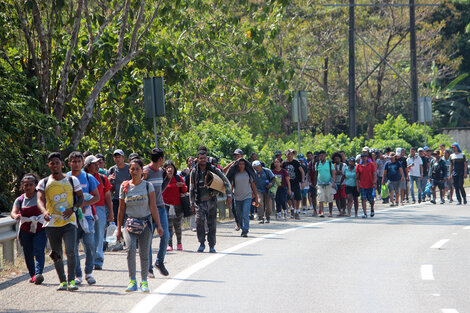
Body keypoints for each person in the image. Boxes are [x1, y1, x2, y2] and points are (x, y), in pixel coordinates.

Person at [37, 152, 84, 291]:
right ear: (48, 165)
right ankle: (62, 281)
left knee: (70, 251)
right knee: (56, 253)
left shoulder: (72, 180)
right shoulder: (44, 182)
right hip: (52, 223)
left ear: (62, 164)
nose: (55, 165)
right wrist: (44, 212)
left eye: (57, 162)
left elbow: (80, 198)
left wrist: (73, 208)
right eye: (52, 163)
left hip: (69, 221)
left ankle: (71, 281)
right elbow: (39, 199)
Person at [116, 158, 164, 293]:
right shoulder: (124, 187)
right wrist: (119, 229)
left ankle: (144, 281)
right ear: (129, 170)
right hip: (129, 223)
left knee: (144, 253)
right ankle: (132, 281)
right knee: (130, 249)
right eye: (132, 169)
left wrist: (159, 226)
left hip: (146, 223)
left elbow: (153, 207)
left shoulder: (148, 186)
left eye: (137, 169)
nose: (135, 171)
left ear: (142, 170)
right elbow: (121, 209)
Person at [67, 151, 100, 285]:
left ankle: (89, 273)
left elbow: (97, 197)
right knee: (73, 248)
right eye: (73, 161)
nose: (76, 164)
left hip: (87, 218)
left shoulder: (88, 177)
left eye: (78, 161)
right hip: (70, 218)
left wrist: (82, 204)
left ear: (83, 163)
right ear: (69, 163)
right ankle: (78, 275)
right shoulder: (65, 178)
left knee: (90, 245)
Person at [190, 150, 232, 253]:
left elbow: (225, 180)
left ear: (207, 158)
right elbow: (191, 188)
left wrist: (229, 195)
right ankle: (201, 243)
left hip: (211, 201)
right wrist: (191, 203)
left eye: (204, 158)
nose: (203, 160)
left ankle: (212, 245)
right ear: (197, 159)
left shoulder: (213, 169)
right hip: (199, 202)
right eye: (200, 158)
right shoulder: (194, 172)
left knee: (212, 224)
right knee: (199, 222)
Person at [11, 174, 47, 284]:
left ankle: (38, 273)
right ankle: (33, 275)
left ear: (36, 185)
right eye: (26, 185)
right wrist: (16, 216)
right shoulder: (20, 199)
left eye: (31, 185)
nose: (28, 187)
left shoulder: (41, 197)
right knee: (28, 253)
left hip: (40, 228)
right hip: (26, 229)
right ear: (22, 186)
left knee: (39, 249)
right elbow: (13, 212)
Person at [143, 148, 170, 277]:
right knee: (148, 239)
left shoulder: (160, 171)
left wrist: (168, 178)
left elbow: (160, 189)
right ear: (160, 159)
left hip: (161, 207)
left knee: (165, 235)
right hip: (148, 210)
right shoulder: (145, 171)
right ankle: (148, 268)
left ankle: (159, 261)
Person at [84, 155, 114, 270]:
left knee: (99, 235)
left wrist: (110, 212)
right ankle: (89, 259)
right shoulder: (82, 178)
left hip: (100, 208)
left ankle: (98, 260)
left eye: (98, 164)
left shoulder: (102, 178)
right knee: (86, 235)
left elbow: (108, 195)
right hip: (85, 208)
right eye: (94, 164)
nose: (97, 166)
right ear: (87, 166)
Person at [227, 158, 258, 237]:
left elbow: (253, 185)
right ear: (237, 165)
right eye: (240, 164)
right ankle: (241, 226)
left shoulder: (248, 173)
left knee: (245, 214)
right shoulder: (235, 174)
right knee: (239, 216)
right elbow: (231, 186)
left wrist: (256, 197)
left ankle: (245, 230)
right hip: (237, 198)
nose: (241, 166)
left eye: (243, 164)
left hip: (247, 197)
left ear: (245, 165)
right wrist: (229, 196)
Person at [162, 161, 187, 251]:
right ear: (164, 169)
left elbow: (184, 190)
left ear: (174, 169)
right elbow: (161, 189)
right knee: (168, 226)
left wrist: (182, 185)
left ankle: (179, 243)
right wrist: (173, 185)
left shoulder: (178, 177)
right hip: (166, 205)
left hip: (177, 205)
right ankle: (169, 244)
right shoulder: (162, 178)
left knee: (177, 225)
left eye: (171, 167)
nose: (169, 169)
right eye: (167, 167)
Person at [108, 149, 130, 226]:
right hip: (117, 199)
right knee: (118, 221)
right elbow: (109, 188)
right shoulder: (112, 170)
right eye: (115, 157)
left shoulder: (129, 168)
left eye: (119, 157)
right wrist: (109, 181)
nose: (117, 159)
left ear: (123, 157)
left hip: (129, 199)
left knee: (128, 221)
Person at [282, 149, 305, 219]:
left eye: (292, 154)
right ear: (286, 155)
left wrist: (303, 181)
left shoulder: (296, 162)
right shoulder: (284, 163)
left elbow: (302, 172)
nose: (290, 155)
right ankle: (291, 208)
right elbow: (282, 172)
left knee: (298, 197)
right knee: (287, 197)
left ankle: (296, 211)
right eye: (288, 154)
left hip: (295, 182)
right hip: (287, 182)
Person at [356, 152, 377, 218]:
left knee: (371, 199)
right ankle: (365, 213)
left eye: (365, 157)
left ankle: (372, 209)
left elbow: (374, 174)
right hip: (362, 185)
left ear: (367, 157)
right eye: (363, 157)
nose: (364, 158)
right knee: (363, 199)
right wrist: (357, 186)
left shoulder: (371, 164)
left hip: (370, 184)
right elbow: (357, 177)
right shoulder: (359, 166)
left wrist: (374, 182)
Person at [314, 151, 335, 217]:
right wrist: (315, 183)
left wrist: (333, 181)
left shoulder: (329, 163)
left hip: (328, 183)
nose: (321, 157)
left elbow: (333, 172)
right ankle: (321, 212)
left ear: (325, 155)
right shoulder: (317, 164)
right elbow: (316, 174)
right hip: (320, 183)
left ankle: (330, 212)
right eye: (320, 156)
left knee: (330, 198)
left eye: (323, 155)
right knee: (320, 197)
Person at [332, 152, 346, 216]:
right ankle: (339, 210)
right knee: (337, 197)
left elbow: (344, 173)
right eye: (335, 159)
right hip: (336, 183)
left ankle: (344, 209)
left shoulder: (344, 165)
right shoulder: (333, 165)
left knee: (343, 196)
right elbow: (333, 173)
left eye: (338, 158)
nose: (337, 160)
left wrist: (338, 173)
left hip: (343, 182)